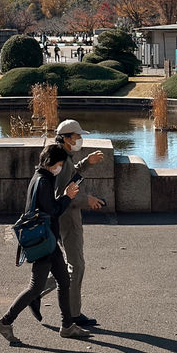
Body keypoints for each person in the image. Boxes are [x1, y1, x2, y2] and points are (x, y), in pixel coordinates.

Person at [0, 144, 92, 345]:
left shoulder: (39, 178)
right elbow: (54, 210)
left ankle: (67, 326)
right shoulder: (44, 181)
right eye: (59, 164)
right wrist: (67, 197)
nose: (60, 167)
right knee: (35, 287)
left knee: (64, 281)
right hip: (44, 241)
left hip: (45, 239)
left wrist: (64, 194)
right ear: (50, 163)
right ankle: (5, 321)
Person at [51, 119, 105, 327]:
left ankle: (35, 291)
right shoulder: (62, 159)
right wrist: (86, 200)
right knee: (77, 266)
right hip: (68, 216)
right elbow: (61, 193)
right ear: (66, 138)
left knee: (71, 266)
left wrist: (86, 164)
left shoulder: (62, 156)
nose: (80, 140)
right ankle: (73, 315)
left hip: (67, 215)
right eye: (77, 136)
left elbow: (72, 178)